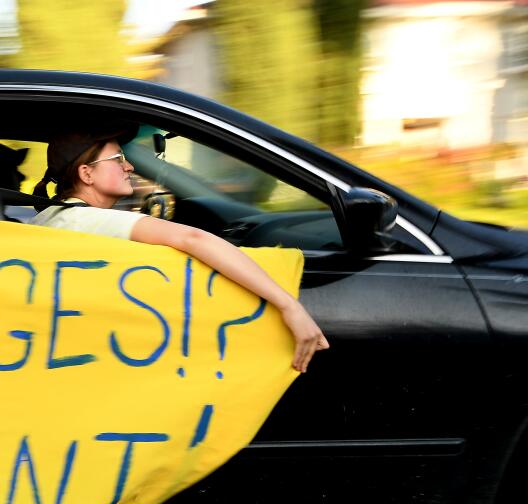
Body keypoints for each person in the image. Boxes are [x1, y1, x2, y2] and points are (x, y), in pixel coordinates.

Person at [31, 129, 329, 373]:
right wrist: (289, 305)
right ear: (86, 174)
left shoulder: (50, 218)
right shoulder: (89, 221)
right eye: (119, 158)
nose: (130, 166)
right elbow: (193, 239)